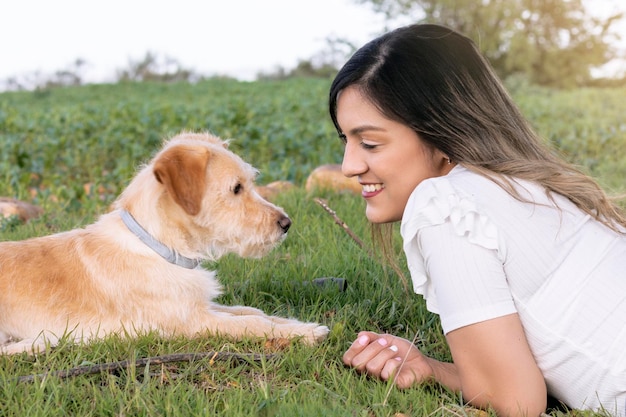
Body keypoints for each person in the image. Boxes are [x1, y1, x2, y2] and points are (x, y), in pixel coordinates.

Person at [329, 23, 626, 417]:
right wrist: (431, 367)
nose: (349, 166)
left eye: (369, 143)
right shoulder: (528, 183)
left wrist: (434, 369)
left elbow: (516, 401)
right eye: (345, 141)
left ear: (439, 132)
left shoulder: (446, 205)